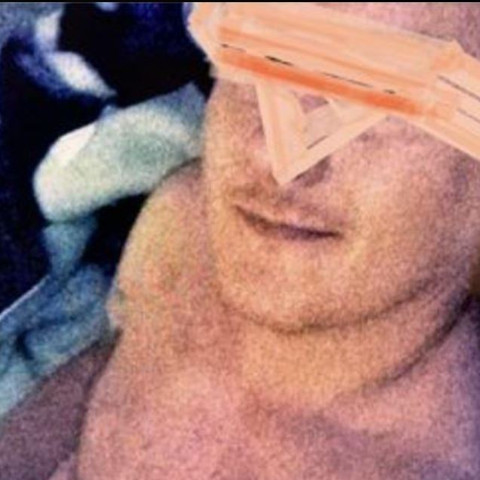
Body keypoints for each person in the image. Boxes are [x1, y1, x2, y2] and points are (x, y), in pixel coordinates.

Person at [6, 3, 480, 479]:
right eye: (250, 65)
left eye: (379, 100)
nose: (271, 157)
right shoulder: (183, 228)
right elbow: (106, 377)